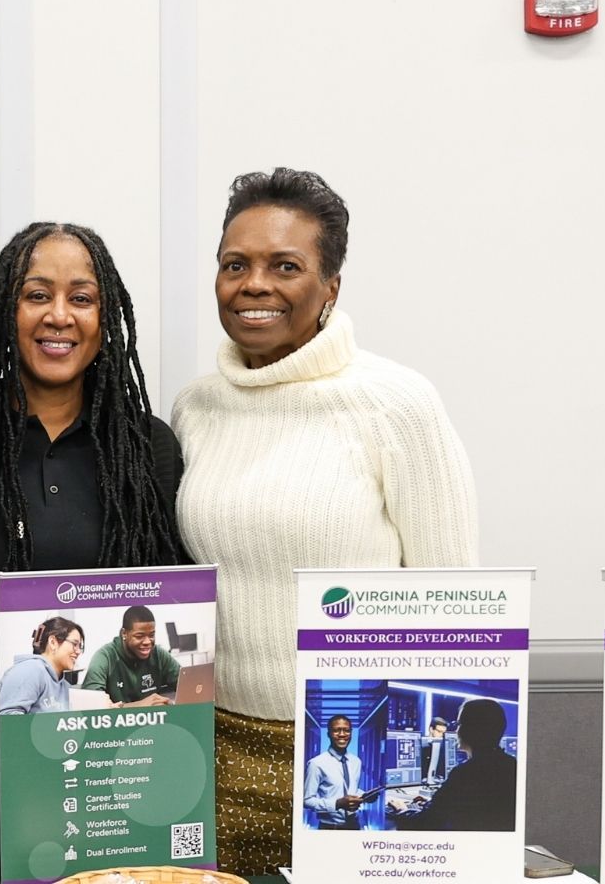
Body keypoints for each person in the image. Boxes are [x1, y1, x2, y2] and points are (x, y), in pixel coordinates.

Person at [173, 168, 478, 872]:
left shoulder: (395, 403)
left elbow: (454, 605)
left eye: (286, 266)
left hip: (358, 766)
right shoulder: (194, 408)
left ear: (331, 286)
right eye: (234, 265)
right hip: (211, 756)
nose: (254, 284)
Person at [0, 220, 185, 881]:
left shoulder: (148, 450)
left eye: (82, 298)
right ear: (7, 313)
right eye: (37, 294)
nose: (58, 316)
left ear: (106, 317)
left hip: (118, 782)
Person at [398, 699, 516, 831]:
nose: (456, 731)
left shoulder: (466, 773)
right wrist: (431, 804)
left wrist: (402, 811)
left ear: (470, 729)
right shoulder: (512, 765)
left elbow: (426, 822)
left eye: (459, 724)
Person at [82, 605, 182, 706]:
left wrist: (170, 705)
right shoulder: (105, 657)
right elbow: (90, 705)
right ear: (124, 633)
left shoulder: (159, 654)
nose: (147, 642)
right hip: (117, 721)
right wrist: (138, 706)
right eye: (139, 636)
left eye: (151, 635)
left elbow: (187, 686)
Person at [0, 617, 85, 715]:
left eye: (80, 647)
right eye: (74, 644)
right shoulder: (30, 671)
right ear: (53, 642)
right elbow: (8, 720)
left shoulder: (66, 687)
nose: (78, 651)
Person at [302, 715, 367, 830]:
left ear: (351, 733)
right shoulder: (316, 763)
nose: (342, 734)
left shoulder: (356, 761)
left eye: (346, 730)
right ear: (328, 734)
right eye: (337, 730)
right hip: (330, 827)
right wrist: (337, 804)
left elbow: (351, 789)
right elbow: (307, 800)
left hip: (355, 825)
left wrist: (366, 796)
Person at [422, 717, 450, 782]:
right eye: (439, 731)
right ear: (431, 729)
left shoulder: (443, 749)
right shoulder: (422, 747)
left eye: (443, 733)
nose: (441, 735)